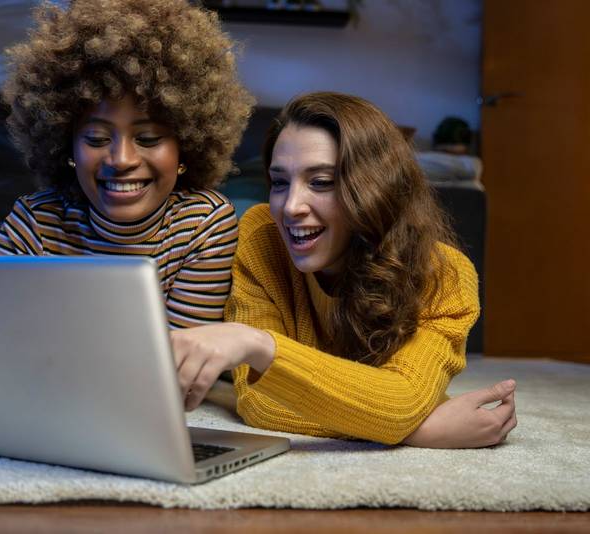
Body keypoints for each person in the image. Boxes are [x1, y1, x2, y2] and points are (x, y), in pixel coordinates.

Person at [0, 0, 253, 428]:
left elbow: (177, 373)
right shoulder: (35, 219)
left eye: (149, 137)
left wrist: (9, 382)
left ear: (186, 148)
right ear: (67, 147)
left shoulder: (206, 223)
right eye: (96, 138)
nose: (121, 159)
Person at [171, 92, 517, 448]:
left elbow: (402, 397)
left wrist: (260, 348)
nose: (290, 207)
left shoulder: (443, 274)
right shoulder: (261, 238)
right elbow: (261, 402)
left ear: (373, 189)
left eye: (321, 182)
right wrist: (420, 428)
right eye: (279, 182)